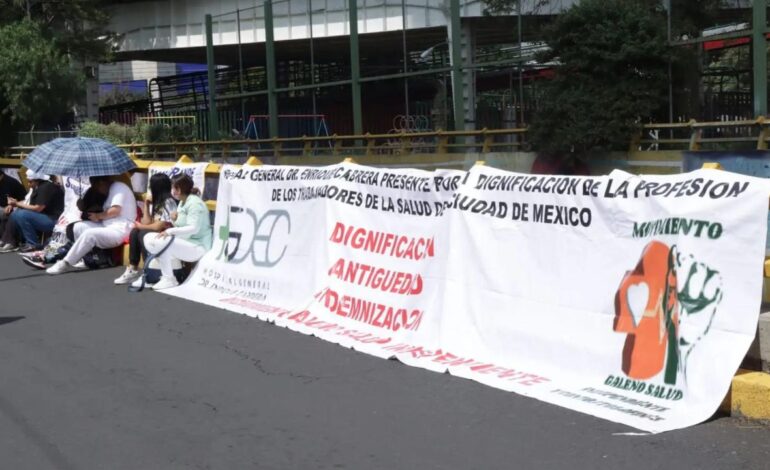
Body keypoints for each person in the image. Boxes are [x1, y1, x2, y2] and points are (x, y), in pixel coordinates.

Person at [46, 175, 137, 275]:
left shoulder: (119, 187)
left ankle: (65, 263)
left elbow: (115, 210)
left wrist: (98, 216)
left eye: (96, 187)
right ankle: (86, 259)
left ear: (102, 183)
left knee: (90, 234)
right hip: (107, 226)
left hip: (120, 230)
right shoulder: (107, 191)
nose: (97, 190)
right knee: (77, 227)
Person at [143, 174, 211, 290]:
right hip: (184, 242)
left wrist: (170, 231)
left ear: (178, 189)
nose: (172, 191)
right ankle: (157, 275)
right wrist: (174, 220)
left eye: (173, 188)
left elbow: (194, 228)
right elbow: (181, 227)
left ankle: (169, 279)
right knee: (149, 237)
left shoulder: (195, 203)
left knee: (162, 241)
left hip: (198, 246)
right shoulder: (182, 202)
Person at [114, 173, 177, 285]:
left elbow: (160, 225)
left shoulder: (168, 202)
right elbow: (146, 222)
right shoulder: (157, 201)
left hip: (168, 235)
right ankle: (132, 269)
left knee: (142, 232)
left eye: (151, 186)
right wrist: (146, 205)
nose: (150, 189)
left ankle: (147, 271)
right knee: (135, 232)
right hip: (159, 233)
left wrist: (141, 226)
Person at [6, 170, 64, 252]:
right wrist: (15, 203)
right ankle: (13, 241)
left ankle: (32, 243)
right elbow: (29, 203)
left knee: (22, 214)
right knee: (16, 214)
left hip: (53, 219)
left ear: (37, 180)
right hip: (45, 216)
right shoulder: (38, 187)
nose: (29, 184)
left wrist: (17, 204)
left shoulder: (46, 187)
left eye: (30, 182)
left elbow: (38, 208)